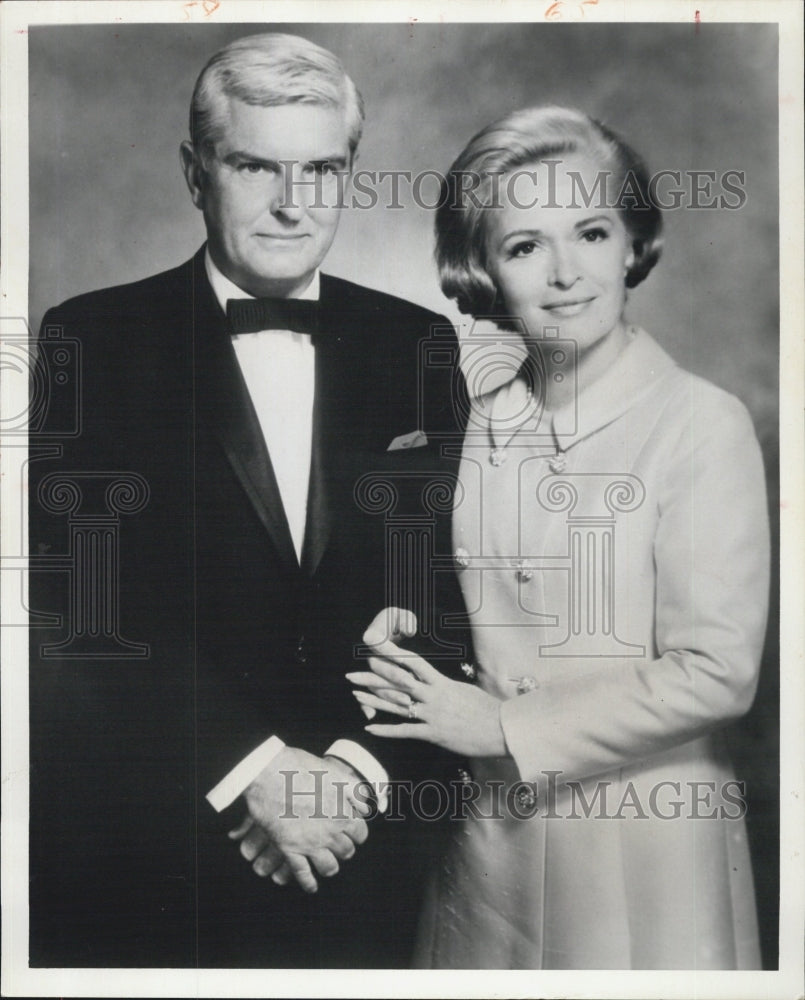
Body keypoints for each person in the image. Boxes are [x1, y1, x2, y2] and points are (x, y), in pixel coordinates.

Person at [28, 32, 467, 968]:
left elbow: (454, 604)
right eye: (254, 165)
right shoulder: (92, 340)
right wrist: (253, 771)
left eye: (319, 169)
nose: (290, 203)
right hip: (151, 855)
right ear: (196, 173)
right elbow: (78, 611)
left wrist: (351, 776)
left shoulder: (417, 344)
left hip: (364, 846)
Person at [349, 106, 770, 969]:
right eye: (525, 245)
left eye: (590, 230)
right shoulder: (471, 425)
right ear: (484, 271)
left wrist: (505, 726)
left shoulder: (700, 423)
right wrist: (406, 634)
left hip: (644, 850)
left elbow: (718, 673)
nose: (566, 272)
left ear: (630, 246)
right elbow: (472, 611)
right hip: (486, 851)